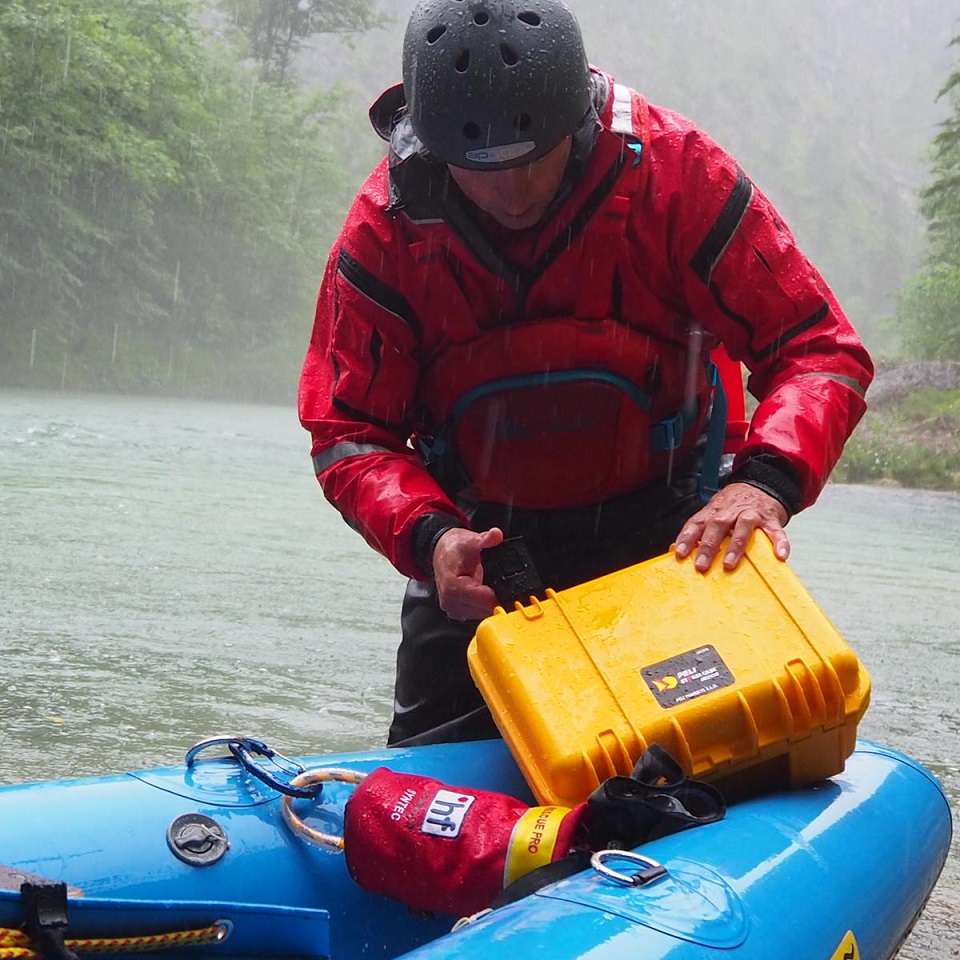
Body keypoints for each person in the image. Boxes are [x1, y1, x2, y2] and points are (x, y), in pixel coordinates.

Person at [297, 0, 873, 747]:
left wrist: (762, 485)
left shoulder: (677, 175)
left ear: (577, 121)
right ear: (434, 148)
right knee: (424, 793)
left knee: (701, 761)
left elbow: (819, 347)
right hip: (482, 552)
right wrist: (432, 538)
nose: (510, 194)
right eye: (480, 170)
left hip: (670, 537)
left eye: (531, 158)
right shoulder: (385, 229)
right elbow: (348, 430)